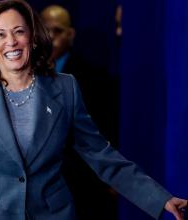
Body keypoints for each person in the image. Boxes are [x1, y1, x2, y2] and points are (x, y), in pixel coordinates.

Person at [0, 0, 187, 219]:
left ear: (33, 38)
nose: (10, 41)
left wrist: (159, 200)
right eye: (0, 34)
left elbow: (102, 156)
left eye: (19, 31)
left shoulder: (65, 88)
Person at [41, 5, 120, 219]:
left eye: (56, 31)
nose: (49, 37)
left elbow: (104, 129)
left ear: (70, 34)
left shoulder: (93, 79)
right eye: (44, 30)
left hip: (81, 184)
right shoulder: (25, 75)